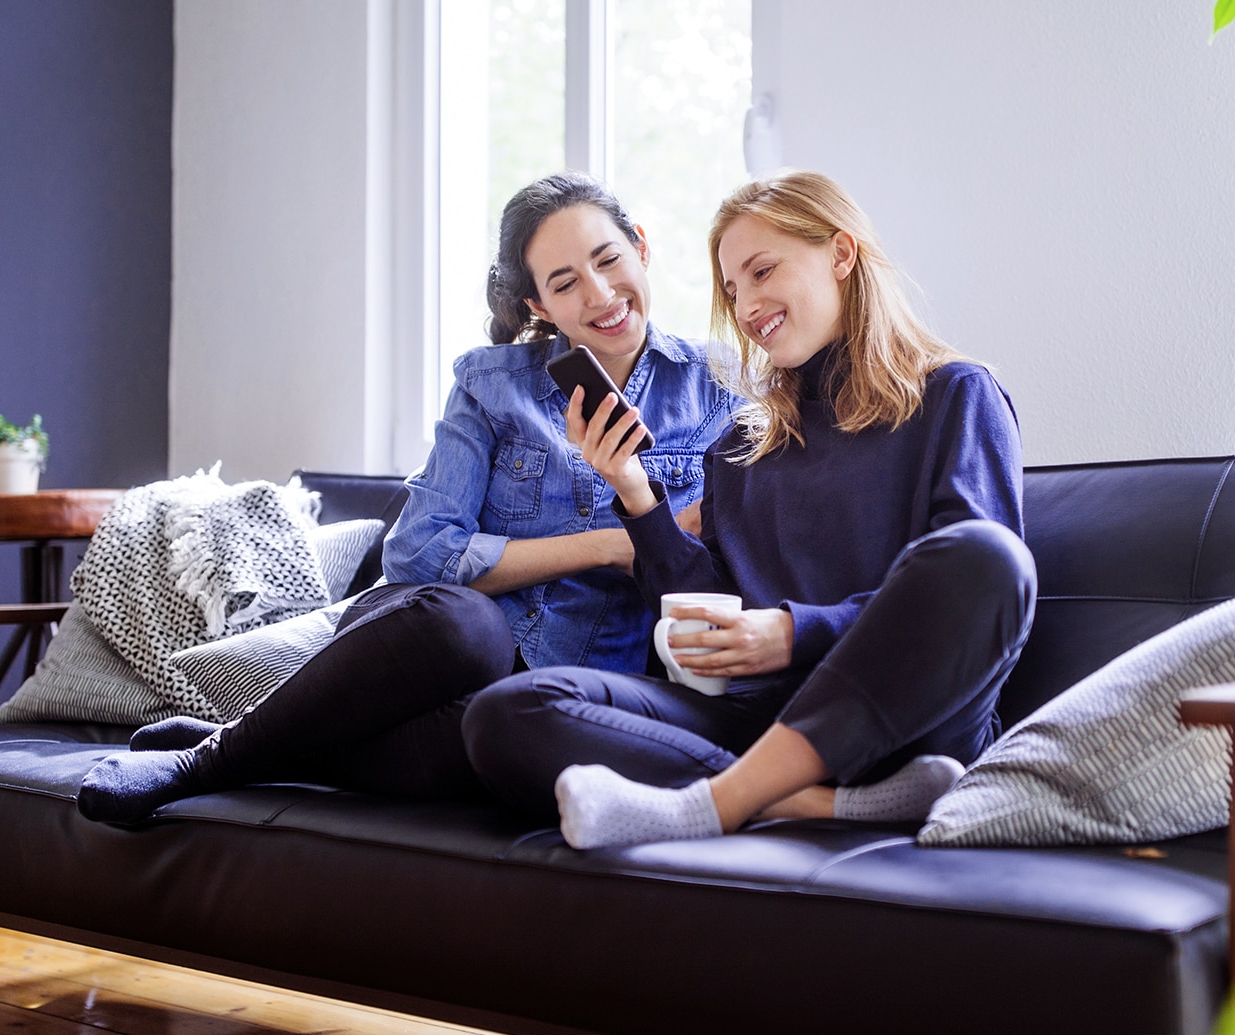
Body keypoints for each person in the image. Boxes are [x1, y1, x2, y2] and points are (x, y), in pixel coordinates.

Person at [77, 172, 738, 823]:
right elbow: (420, 553)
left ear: (641, 247)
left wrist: (640, 526)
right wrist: (616, 543)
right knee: (470, 626)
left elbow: (699, 579)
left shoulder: (722, 393)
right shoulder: (490, 386)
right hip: (432, 645)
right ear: (539, 306)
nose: (600, 294)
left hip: (564, 684)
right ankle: (207, 763)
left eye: (608, 259)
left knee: (501, 731)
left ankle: (252, 742)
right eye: (565, 283)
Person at [458, 169, 1038, 849]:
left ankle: (722, 800)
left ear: (842, 255)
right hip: (760, 714)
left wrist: (793, 634)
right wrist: (634, 491)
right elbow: (708, 613)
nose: (748, 305)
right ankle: (810, 801)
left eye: (763, 271)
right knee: (508, 712)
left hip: (907, 724)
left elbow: (972, 597)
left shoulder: (956, 396)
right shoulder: (743, 441)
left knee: (989, 556)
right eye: (733, 290)